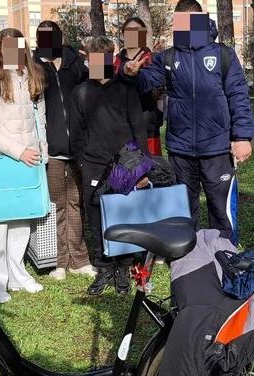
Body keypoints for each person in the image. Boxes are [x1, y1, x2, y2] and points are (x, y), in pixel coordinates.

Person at [122, 0, 254, 244]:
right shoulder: (168, 57)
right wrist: (131, 73)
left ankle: (223, 255)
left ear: (201, 21)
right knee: (185, 208)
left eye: (189, 21)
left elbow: (239, 95)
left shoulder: (223, 55)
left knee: (220, 210)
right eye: (180, 23)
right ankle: (190, 258)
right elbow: (145, 82)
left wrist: (242, 136)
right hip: (181, 149)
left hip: (217, 149)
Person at [70, 36, 148, 296]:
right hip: (93, 164)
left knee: (123, 217)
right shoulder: (80, 92)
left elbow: (139, 128)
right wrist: (83, 163)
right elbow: (77, 135)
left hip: (125, 163)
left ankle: (123, 267)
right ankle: (104, 267)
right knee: (97, 218)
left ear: (110, 59)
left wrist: (141, 169)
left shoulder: (125, 89)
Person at [0, 28, 48, 303]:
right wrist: (19, 152)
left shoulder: (33, 76)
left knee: (21, 221)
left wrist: (43, 153)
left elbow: (40, 120)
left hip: (30, 161)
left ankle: (16, 274)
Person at [32, 21, 95, 281]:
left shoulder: (76, 65)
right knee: (56, 205)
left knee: (76, 203)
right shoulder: (34, 66)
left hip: (79, 149)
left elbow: (95, 92)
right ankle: (58, 261)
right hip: (52, 150)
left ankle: (79, 259)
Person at [114, 17, 164, 156]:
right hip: (121, 129)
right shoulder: (114, 62)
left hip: (147, 129)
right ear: (123, 34)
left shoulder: (154, 59)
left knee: (151, 172)